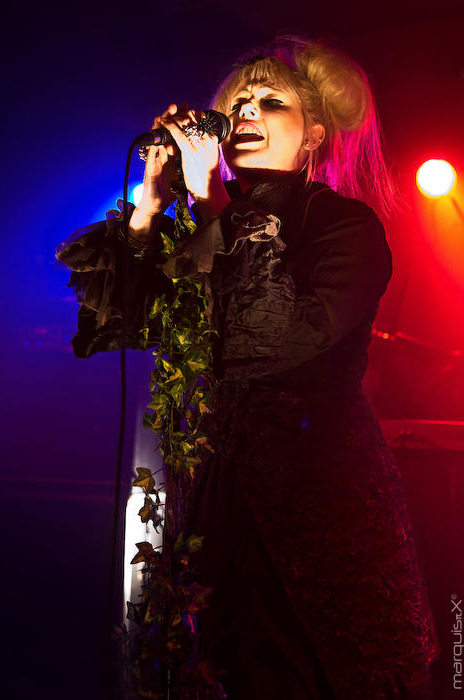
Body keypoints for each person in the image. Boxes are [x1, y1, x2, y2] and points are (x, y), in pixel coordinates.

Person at [56, 36, 441, 699]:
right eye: (237, 101)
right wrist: (149, 202)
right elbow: (109, 329)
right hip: (211, 504)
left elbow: (279, 338)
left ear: (315, 135)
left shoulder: (342, 227)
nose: (246, 112)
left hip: (317, 502)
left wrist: (213, 205)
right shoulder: (195, 225)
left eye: (270, 101)